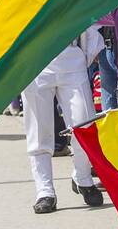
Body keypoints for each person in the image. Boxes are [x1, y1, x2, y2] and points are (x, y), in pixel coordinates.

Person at [21, 25, 104, 214]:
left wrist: (85, 56)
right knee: (39, 131)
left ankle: (82, 178)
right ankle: (45, 191)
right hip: (33, 61)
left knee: (85, 125)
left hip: (71, 57)